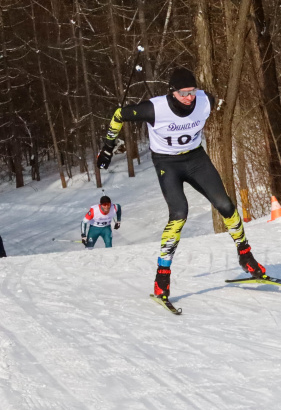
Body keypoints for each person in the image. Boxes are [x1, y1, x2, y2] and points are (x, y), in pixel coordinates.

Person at [96, 66, 266, 300]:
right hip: (167, 164)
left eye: (192, 91)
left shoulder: (204, 100)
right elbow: (118, 114)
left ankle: (245, 255)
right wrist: (107, 148)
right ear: (172, 92)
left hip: (196, 159)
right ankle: (162, 277)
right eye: (183, 93)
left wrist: (222, 105)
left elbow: (216, 102)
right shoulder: (155, 108)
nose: (189, 98)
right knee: (179, 214)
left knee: (225, 205)